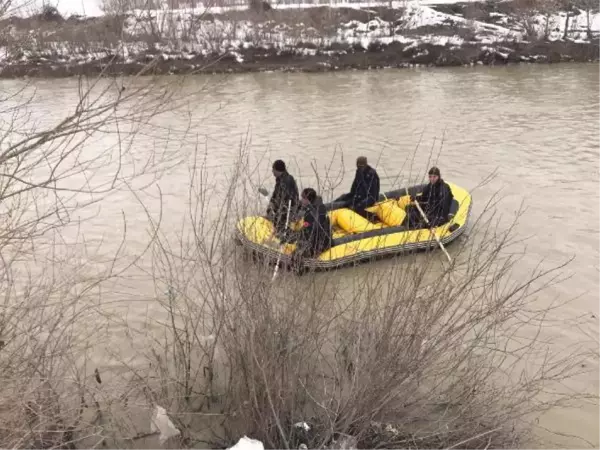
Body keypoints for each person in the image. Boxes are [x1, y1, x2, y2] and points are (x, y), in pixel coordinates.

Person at [284, 187, 332, 263]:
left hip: (319, 244)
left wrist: (296, 239)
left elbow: (312, 233)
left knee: (296, 255)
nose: (301, 200)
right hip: (322, 238)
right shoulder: (319, 206)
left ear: (307, 199)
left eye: (303, 198)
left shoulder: (313, 214)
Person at [267, 159, 299, 236]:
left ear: (277, 170)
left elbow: (286, 200)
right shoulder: (280, 179)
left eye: (273, 169)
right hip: (282, 207)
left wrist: (276, 211)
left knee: (276, 217)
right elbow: (275, 195)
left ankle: (281, 233)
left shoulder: (286, 181)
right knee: (269, 211)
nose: (272, 171)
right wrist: (271, 203)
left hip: (288, 210)